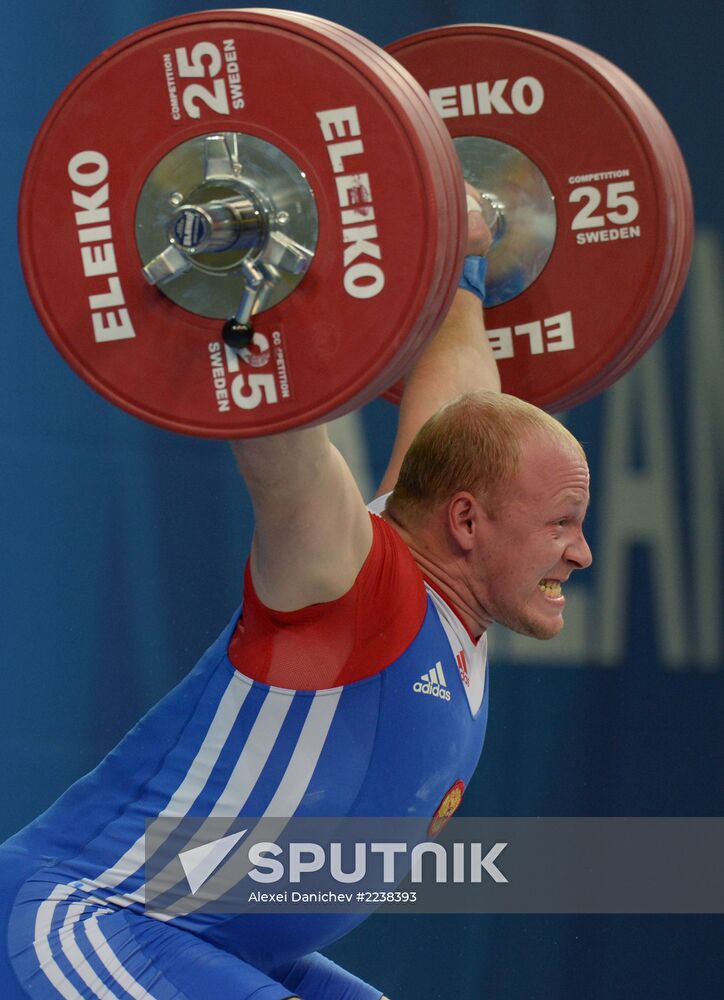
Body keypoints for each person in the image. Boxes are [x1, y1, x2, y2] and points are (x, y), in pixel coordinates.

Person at [0, 188, 591, 1000]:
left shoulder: (452, 593)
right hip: (100, 918)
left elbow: (460, 408)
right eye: (563, 522)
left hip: (230, 953)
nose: (582, 552)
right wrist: (242, 281)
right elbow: (287, 459)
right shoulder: (349, 584)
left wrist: (464, 260)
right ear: (467, 522)